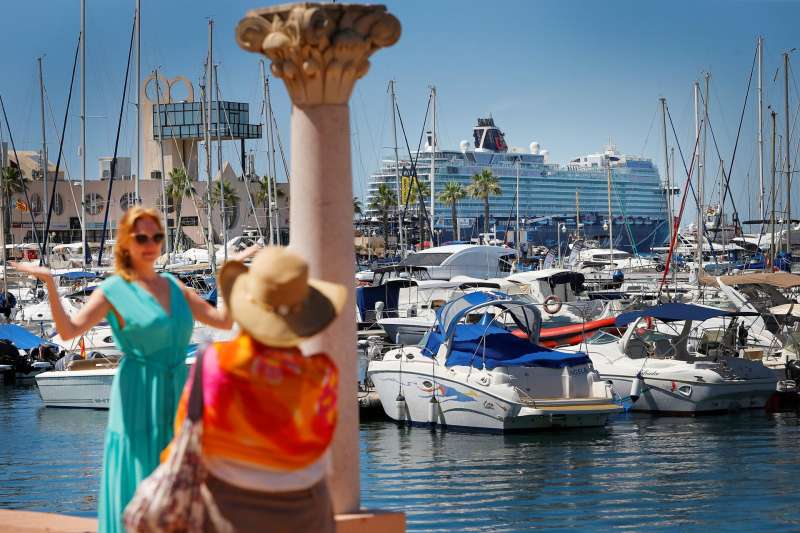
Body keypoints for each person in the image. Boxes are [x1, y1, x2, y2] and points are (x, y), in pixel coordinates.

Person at [13, 206, 254, 533]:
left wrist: (235, 271)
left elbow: (223, 320)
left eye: (157, 236)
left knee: (182, 477)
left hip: (178, 393)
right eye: (142, 236)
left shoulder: (173, 285)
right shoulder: (114, 290)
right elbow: (69, 331)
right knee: (142, 474)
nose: (151, 243)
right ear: (126, 243)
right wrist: (50, 283)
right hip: (139, 394)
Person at [166, 246, 345, 533]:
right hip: (309, 509)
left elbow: (185, 435)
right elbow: (323, 439)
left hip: (228, 508)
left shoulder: (215, 365)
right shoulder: (321, 374)